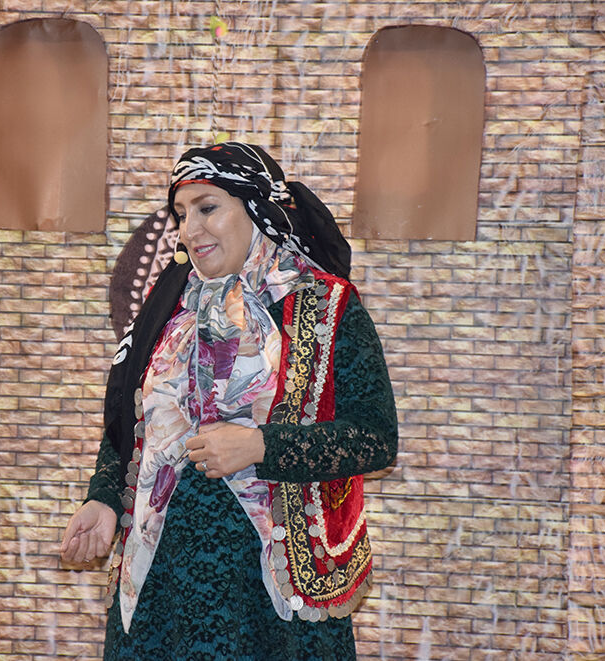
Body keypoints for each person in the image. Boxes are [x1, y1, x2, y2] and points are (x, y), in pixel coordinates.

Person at [60, 142, 398, 660]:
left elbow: (375, 438)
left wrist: (260, 446)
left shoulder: (326, 304)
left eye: (207, 208)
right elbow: (133, 423)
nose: (189, 230)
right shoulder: (169, 304)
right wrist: (105, 499)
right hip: (163, 582)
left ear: (257, 207)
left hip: (271, 589)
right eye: (181, 214)